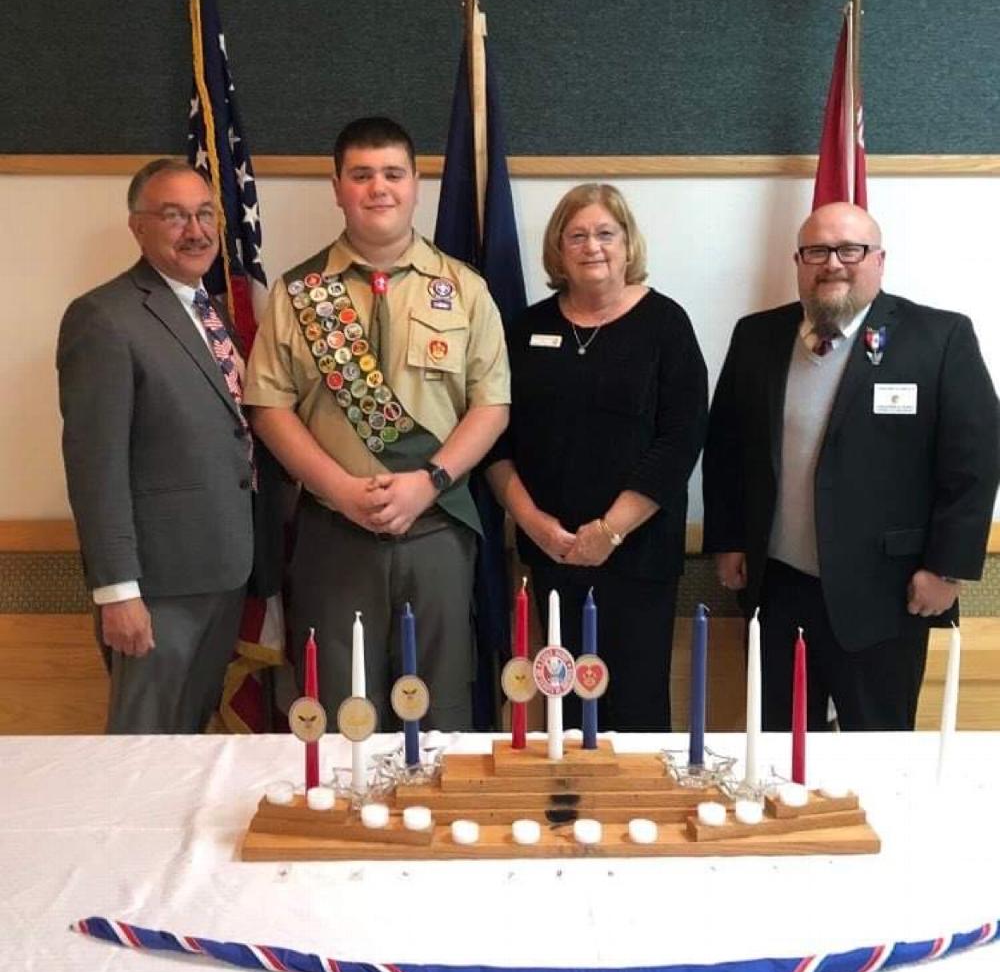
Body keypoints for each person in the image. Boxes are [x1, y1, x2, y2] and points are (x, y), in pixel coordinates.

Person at [245, 116, 509, 731]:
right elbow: (268, 408)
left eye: (393, 173)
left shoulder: (465, 290)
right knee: (340, 708)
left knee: (438, 703)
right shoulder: (299, 293)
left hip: (438, 527)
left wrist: (430, 480)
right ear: (337, 187)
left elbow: (491, 406)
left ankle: (436, 825)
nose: (378, 188)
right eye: (361, 175)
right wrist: (338, 488)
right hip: (334, 533)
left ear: (417, 184)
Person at [703, 201, 1000, 731]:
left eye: (850, 250)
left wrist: (946, 567)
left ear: (879, 261)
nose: (833, 263)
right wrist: (727, 539)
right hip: (779, 588)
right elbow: (726, 445)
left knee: (878, 750)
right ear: (798, 261)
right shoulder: (756, 337)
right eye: (817, 250)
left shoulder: (939, 338)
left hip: (889, 592)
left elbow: (974, 464)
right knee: (779, 745)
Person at [57, 159, 283, 734]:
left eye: (205, 213)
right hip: (157, 588)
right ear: (137, 227)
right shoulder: (103, 318)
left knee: (187, 744)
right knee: (144, 747)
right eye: (175, 215)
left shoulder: (210, 313)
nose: (197, 230)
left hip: (224, 570)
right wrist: (117, 591)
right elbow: (95, 467)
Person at [486, 183, 708, 732]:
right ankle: (571, 812)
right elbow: (496, 441)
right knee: (565, 703)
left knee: (635, 707)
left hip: (638, 555)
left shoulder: (666, 325)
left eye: (606, 234)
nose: (593, 247)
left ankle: (638, 816)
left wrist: (608, 531)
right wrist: (533, 525)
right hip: (552, 550)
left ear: (628, 245)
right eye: (577, 235)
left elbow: (681, 439)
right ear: (558, 251)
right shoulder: (526, 329)